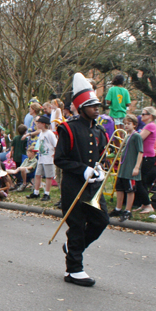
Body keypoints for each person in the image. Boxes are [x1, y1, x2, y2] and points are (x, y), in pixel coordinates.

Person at [54, 73, 109, 287]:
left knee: (101, 220)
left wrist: (100, 170)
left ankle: (73, 248)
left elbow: (101, 156)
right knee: (76, 226)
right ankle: (74, 270)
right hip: (73, 184)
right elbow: (60, 159)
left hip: (93, 186)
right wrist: (82, 170)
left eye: (97, 106)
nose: (97, 109)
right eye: (92, 105)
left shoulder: (100, 130)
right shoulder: (68, 128)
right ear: (81, 107)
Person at [109, 115, 143, 222]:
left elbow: (140, 152)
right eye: (125, 123)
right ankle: (118, 208)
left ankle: (128, 210)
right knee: (119, 188)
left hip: (130, 167)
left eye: (129, 123)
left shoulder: (136, 136)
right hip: (123, 168)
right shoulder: (127, 136)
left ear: (134, 125)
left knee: (129, 189)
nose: (126, 125)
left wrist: (136, 167)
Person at [133, 107, 156, 214]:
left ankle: (148, 205)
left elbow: (139, 138)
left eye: (144, 114)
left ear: (150, 116)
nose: (141, 116)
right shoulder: (147, 126)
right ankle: (144, 203)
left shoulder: (150, 125)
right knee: (142, 181)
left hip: (147, 157)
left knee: (139, 181)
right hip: (145, 156)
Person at [26, 115, 57, 201]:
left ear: (43, 124)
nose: (37, 125)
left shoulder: (50, 133)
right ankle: (36, 192)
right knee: (37, 174)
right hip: (41, 157)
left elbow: (55, 145)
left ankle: (47, 193)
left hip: (48, 158)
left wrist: (55, 154)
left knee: (48, 176)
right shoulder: (41, 133)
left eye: (39, 123)